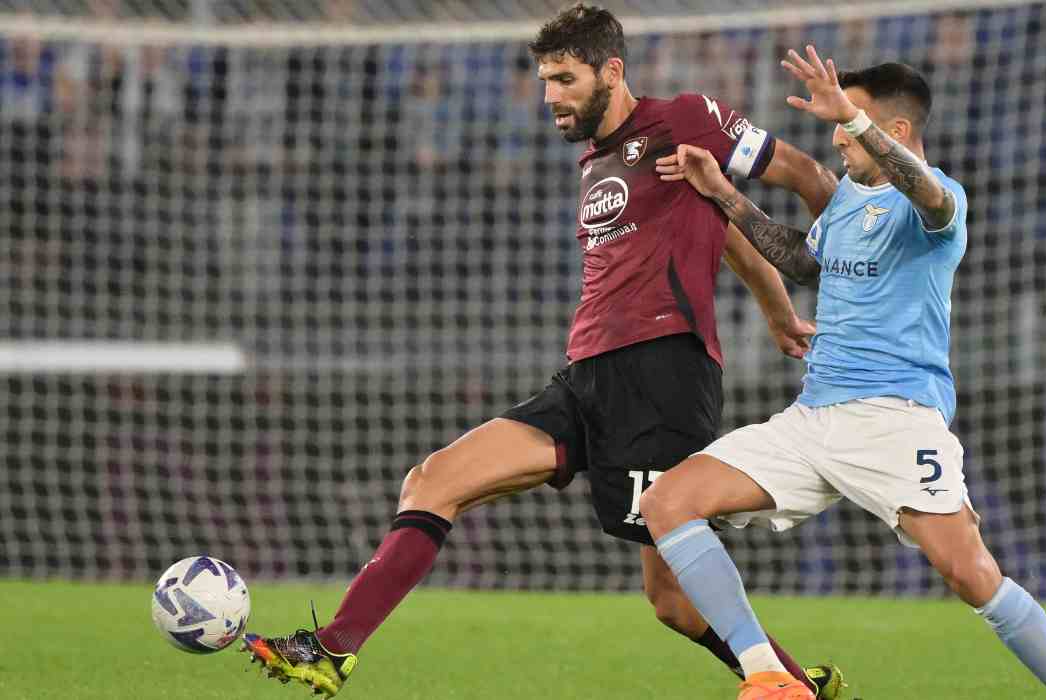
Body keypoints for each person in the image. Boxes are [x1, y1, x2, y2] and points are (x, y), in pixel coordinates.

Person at [240, 6, 848, 698]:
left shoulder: (684, 118)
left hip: (664, 377)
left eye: (565, 78)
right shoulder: (597, 162)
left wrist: (821, 279)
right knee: (432, 480)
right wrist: (775, 311)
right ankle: (331, 649)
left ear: (611, 71)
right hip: (586, 379)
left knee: (675, 603)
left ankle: (792, 685)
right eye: (544, 80)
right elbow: (717, 231)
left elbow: (803, 173)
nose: (550, 95)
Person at [639, 47, 1046, 700]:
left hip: (896, 418)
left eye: (848, 121)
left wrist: (857, 124)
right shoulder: (851, 198)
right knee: (667, 502)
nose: (836, 135)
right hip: (813, 417)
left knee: (970, 574)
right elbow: (804, 262)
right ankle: (771, 678)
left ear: (894, 130)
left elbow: (927, 192)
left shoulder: (939, 207)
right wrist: (722, 195)